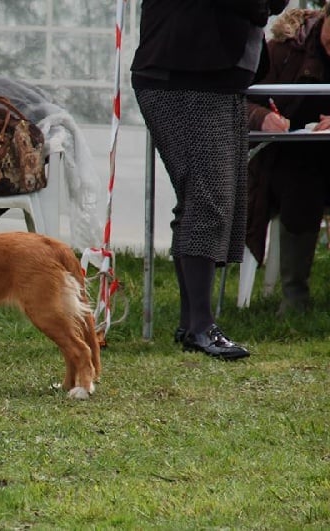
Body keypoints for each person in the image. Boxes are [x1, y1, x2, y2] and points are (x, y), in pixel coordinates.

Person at [131, 0, 286, 360]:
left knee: (212, 199)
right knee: (207, 198)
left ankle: (192, 325)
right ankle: (201, 328)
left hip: (217, 80)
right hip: (184, 78)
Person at [247, 5, 330, 315]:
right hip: (283, 162)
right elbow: (240, 102)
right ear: (325, 18)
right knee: (301, 178)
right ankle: (294, 294)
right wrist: (263, 117)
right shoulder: (283, 48)